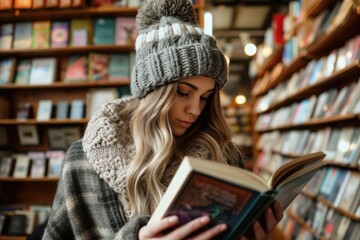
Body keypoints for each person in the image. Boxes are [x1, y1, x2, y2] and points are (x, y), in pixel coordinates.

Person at [42, 0, 283, 239]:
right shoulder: (82, 162)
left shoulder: (224, 157)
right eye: (184, 92)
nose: (195, 110)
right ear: (153, 92)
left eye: (205, 97)